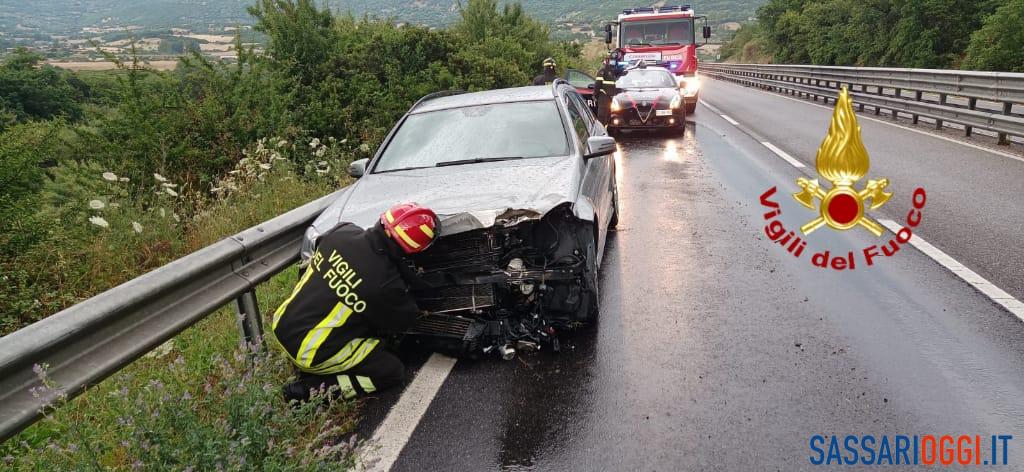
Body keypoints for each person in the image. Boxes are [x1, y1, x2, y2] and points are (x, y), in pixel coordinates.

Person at [272, 203, 439, 402]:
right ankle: (306, 392)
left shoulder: (342, 232)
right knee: (390, 370)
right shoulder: (385, 284)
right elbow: (404, 320)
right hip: (311, 352)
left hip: (282, 323)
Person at [594, 49, 623, 124]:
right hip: (604, 96)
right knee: (602, 117)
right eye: (611, 61)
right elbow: (598, 84)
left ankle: (606, 131)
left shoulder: (613, 72)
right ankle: (601, 133)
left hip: (611, 97)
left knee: (608, 116)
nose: (612, 63)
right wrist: (595, 95)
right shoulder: (603, 71)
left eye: (614, 61)